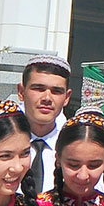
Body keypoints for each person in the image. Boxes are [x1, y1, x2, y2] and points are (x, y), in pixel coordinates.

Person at [16, 57, 72, 193]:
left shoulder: (72, 148)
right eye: (38, 88)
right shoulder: (0, 143)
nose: (47, 98)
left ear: (67, 97)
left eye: (56, 91)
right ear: (21, 92)